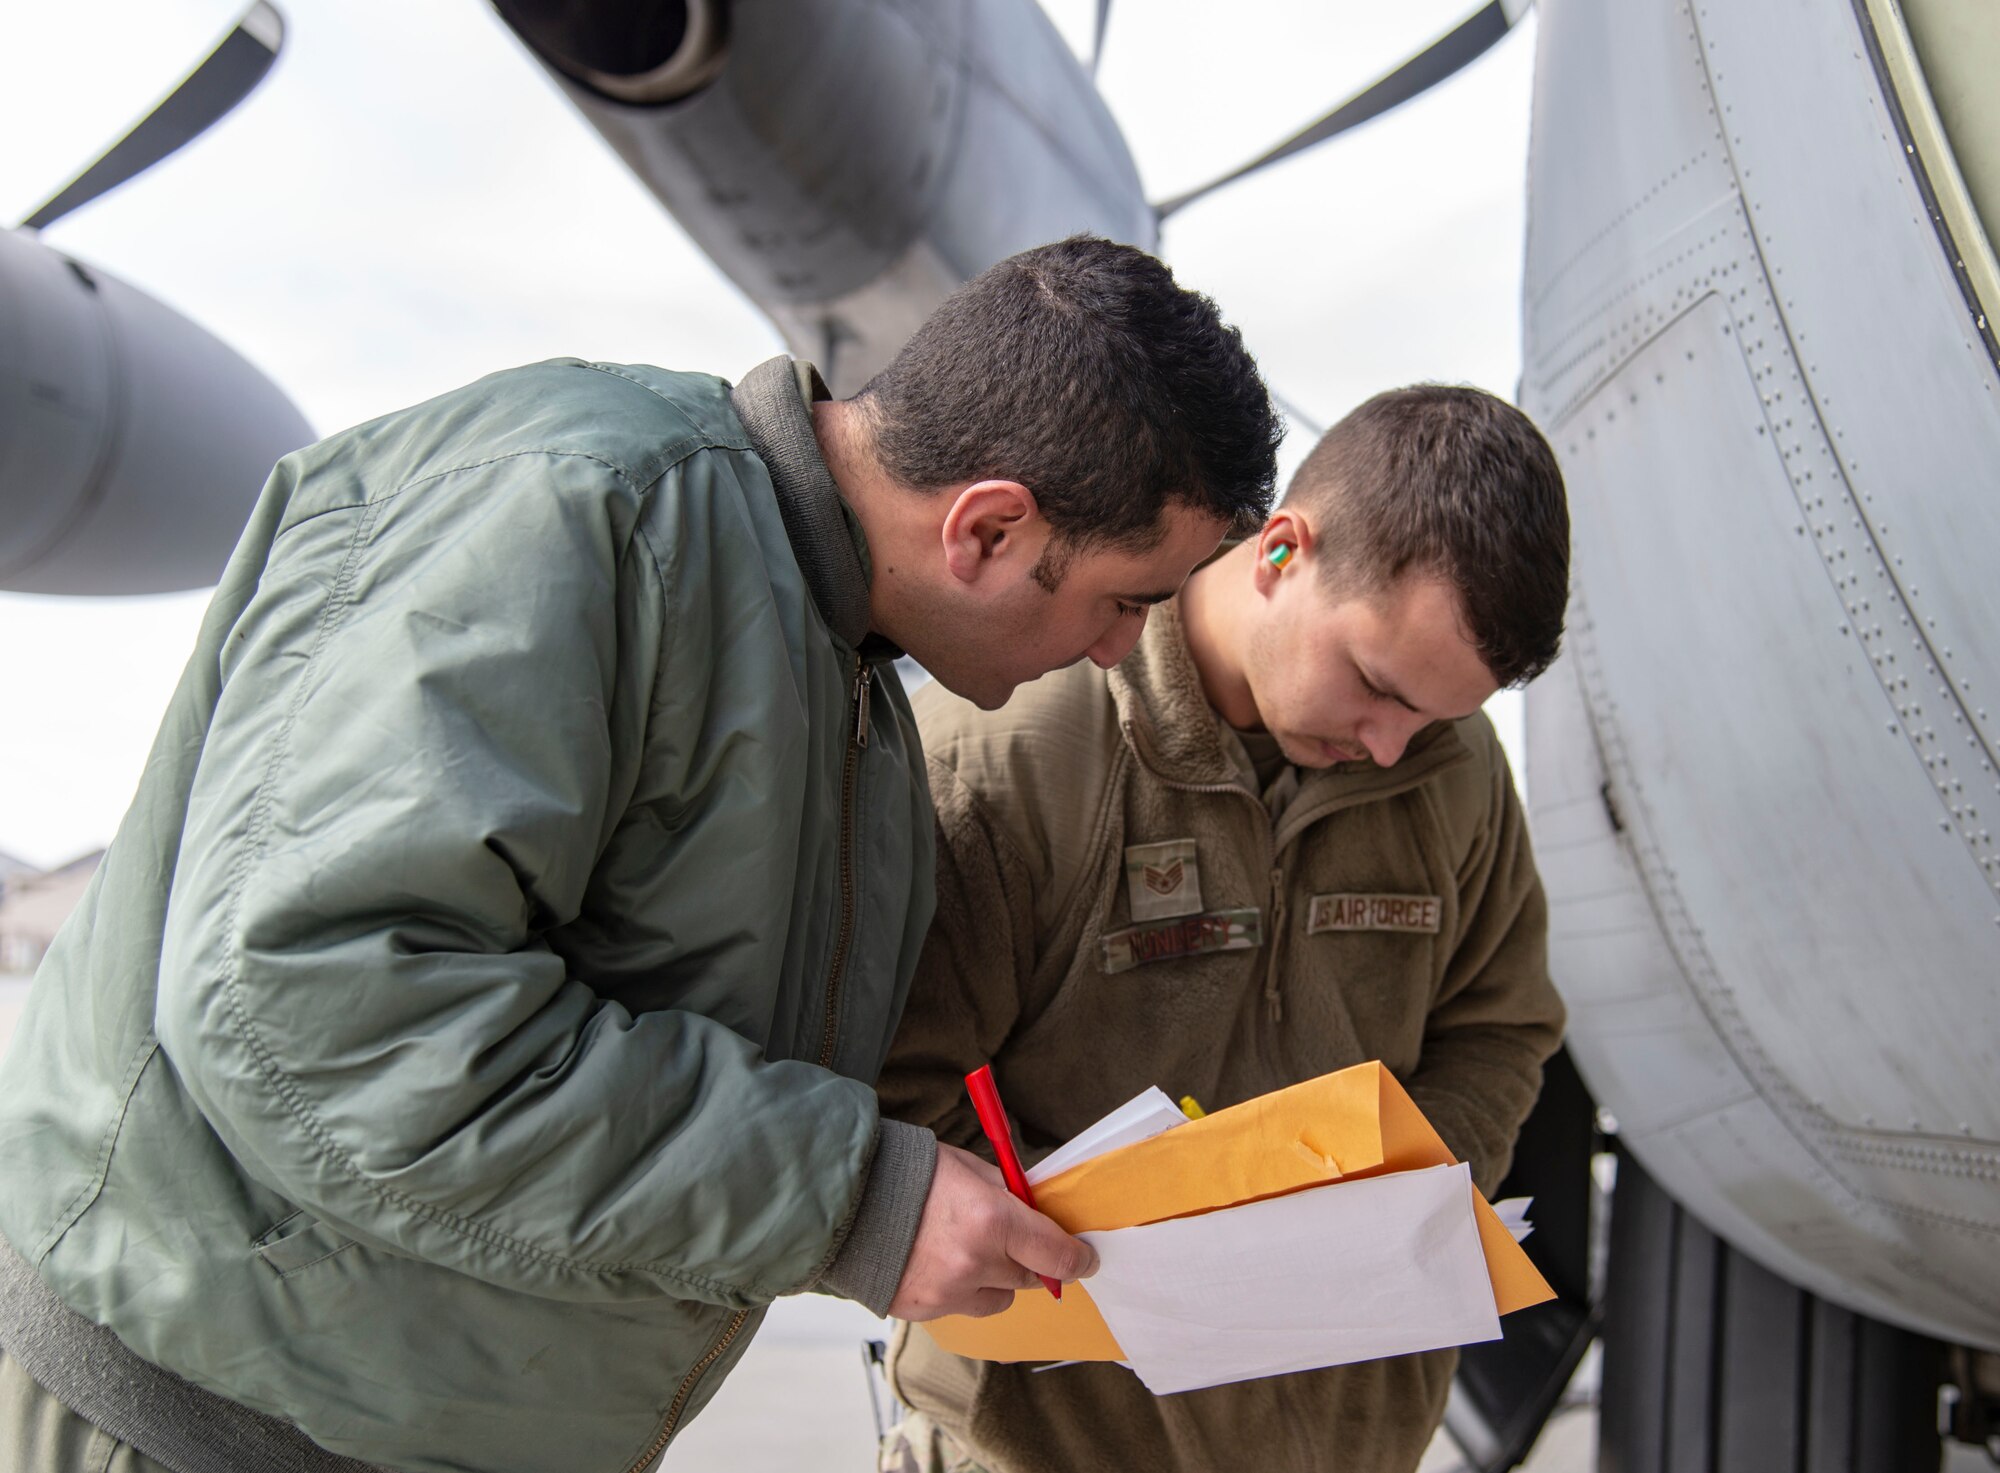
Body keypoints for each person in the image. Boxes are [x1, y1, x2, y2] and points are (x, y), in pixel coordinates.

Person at [0, 237, 1282, 1473]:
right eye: (1126, 598)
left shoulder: (851, 693)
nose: (1121, 650)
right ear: (988, 530)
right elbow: (315, 1002)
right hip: (199, 1428)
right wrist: (845, 1198)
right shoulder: (577, 511)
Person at [876, 384, 1571, 1473]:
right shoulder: (1012, 745)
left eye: (1436, 716)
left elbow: (1499, 1024)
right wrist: (1122, 1260)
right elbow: (890, 1099)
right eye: (1374, 686)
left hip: (1345, 1442)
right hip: (1049, 1443)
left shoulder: (1452, 770)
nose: (1392, 748)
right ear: (1282, 553)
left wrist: (1399, 1206)